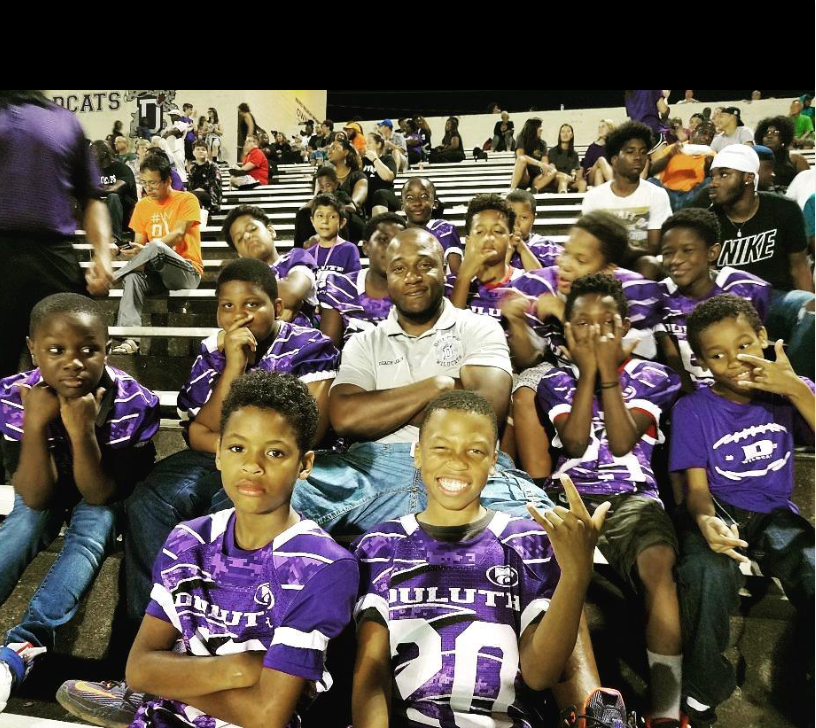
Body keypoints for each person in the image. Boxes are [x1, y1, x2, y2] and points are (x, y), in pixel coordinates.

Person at [352, 390, 608, 728]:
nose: (457, 462)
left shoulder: (526, 542)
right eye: (441, 448)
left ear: (494, 460)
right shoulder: (382, 545)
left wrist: (576, 576)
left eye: (474, 450)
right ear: (417, 454)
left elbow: (540, 674)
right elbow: (371, 671)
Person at [121, 371, 358, 728]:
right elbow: (139, 669)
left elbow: (266, 716)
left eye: (275, 452)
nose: (252, 465)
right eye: (237, 448)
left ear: (304, 464)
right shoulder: (188, 540)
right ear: (218, 454)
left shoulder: (322, 565)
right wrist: (243, 667)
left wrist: (169, 680)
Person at [537, 273, 685, 727]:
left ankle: (666, 709)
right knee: (552, 575)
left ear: (624, 326)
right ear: (567, 330)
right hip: (569, 495)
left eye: (606, 322)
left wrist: (606, 375)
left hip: (632, 495)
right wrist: (589, 374)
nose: (595, 332)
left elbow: (621, 442)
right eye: (582, 323)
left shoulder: (654, 376)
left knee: (658, 564)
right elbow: (575, 441)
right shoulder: (555, 381)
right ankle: (589, 708)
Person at [0, 294, 158, 713]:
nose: (73, 362)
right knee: (24, 525)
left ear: (108, 348)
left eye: (88, 350)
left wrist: (82, 431)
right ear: (33, 349)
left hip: (104, 487)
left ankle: (23, 647)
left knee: (93, 530)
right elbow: (35, 496)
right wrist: (36, 423)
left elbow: (99, 493)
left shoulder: (132, 402)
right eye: (55, 350)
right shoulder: (15, 395)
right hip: (47, 482)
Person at [670, 295, 814, 728]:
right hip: (720, 509)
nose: (734, 360)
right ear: (700, 362)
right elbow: (696, 489)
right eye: (717, 355)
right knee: (704, 573)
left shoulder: (792, 393)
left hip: (774, 513)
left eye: (745, 344)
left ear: (764, 337)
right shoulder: (693, 409)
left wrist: (794, 388)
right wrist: (704, 520)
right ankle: (702, 689)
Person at [500, 212, 663, 479]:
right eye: (565, 252)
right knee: (526, 387)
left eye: (581, 260)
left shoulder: (629, 295)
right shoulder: (545, 286)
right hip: (565, 376)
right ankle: (537, 486)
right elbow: (530, 359)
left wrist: (563, 312)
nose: (565, 264)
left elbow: (623, 359)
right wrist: (517, 323)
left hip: (617, 379)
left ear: (608, 269)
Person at [0, 89, 113, 378]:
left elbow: (91, 197)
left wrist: (102, 254)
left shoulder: (65, 121)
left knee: (72, 372)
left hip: (53, 258)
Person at [700, 144, 814, 378]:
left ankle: (794, 384)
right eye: (712, 176)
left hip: (775, 298)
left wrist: (808, 310)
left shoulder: (783, 209)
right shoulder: (705, 216)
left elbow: (799, 267)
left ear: (748, 178)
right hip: (726, 301)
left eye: (724, 175)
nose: (714, 182)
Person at [656, 209, 771, 392]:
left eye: (687, 250)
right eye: (668, 253)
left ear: (712, 252)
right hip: (689, 396)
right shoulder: (657, 297)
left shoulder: (746, 288)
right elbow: (671, 361)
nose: (676, 260)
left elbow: (759, 343)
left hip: (748, 387)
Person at [110, 154, 203, 356]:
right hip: (156, 275)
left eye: (153, 183)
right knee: (133, 277)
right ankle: (130, 339)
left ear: (167, 180)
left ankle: (114, 277)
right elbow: (141, 247)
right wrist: (133, 251)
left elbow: (178, 234)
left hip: (187, 271)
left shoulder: (187, 199)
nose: (147, 188)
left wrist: (148, 249)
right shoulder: (142, 206)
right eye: (144, 183)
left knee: (157, 246)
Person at [447, 194, 555, 325]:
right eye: (480, 232)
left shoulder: (528, 284)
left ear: (510, 240)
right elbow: (448, 331)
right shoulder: (449, 285)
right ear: (468, 241)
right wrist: (464, 278)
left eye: (497, 231)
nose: (489, 238)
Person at [581, 121, 672, 258]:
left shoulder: (657, 194)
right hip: (604, 263)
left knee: (648, 264)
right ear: (615, 160)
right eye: (630, 152)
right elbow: (590, 243)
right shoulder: (594, 197)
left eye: (643, 152)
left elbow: (654, 246)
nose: (638, 157)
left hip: (640, 262)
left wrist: (623, 254)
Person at [318, 213, 404, 347]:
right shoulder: (339, 287)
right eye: (383, 240)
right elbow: (329, 350)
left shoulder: (415, 287)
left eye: (399, 242)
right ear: (365, 247)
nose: (392, 248)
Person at [223, 205, 318, 326]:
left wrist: (248, 297)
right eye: (240, 238)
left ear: (271, 231)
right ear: (240, 254)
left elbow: (292, 292)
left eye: (252, 229)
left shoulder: (297, 257)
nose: (247, 236)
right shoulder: (244, 279)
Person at [648, 121, 717, 211]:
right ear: (693, 133)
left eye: (711, 136)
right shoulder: (674, 148)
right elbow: (653, 170)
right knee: (651, 181)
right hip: (667, 193)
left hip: (691, 197)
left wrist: (708, 165)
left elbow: (713, 179)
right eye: (703, 133)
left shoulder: (711, 155)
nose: (707, 138)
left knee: (710, 182)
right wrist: (670, 155)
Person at [401, 176, 463, 274]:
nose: (417, 203)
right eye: (410, 198)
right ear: (402, 205)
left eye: (423, 196)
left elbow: (457, 274)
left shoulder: (444, 230)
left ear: (435, 203)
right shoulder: (397, 233)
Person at [306, 193, 362, 285]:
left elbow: (354, 282)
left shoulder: (349, 249)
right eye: (320, 216)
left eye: (332, 216)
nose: (325, 221)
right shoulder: (308, 254)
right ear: (312, 221)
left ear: (342, 222)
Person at [90, 140, 137, 247]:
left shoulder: (122, 169)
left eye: (93, 153)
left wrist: (93, 189)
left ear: (103, 154)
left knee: (113, 197)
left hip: (123, 213)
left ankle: (113, 237)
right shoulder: (92, 171)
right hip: (100, 212)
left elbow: (114, 189)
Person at [506, 189, 563, 270]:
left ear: (533, 218)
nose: (516, 223)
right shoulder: (495, 246)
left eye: (523, 218)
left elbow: (541, 277)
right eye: (511, 217)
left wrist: (522, 248)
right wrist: (508, 251)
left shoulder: (548, 249)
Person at [755, 115, 811, 190]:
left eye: (775, 133)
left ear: (784, 137)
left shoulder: (796, 159)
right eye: (766, 133)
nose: (769, 136)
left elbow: (808, 185)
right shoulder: (755, 159)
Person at [509, 117, 554, 191]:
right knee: (521, 159)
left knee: (553, 170)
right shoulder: (521, 138)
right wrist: (538, 163)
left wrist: (545, 168)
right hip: (524, 175)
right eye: (539, 127)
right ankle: (512, 190)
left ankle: (533, 190)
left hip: (537, 177)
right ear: (532, 128)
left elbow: (544, 163)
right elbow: (520, 156)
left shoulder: (542, 144)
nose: (541, 129)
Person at [361, 131, 398, 216]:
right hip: (369, 200)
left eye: (369, 143)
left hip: (386, 199)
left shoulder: (387, 159)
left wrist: (375, 159)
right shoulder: (363, 161)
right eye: (365, 143)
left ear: (379, 144)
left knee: (379, 194)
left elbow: (388, 177)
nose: (366, 146)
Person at [546, 123, 587, 193]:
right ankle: (563, 198)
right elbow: (552, 171)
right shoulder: (552, 152)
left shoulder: (574, 154)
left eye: (568, 131)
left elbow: (575, 171)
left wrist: (574, 175)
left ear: (572, 135)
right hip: (556, 179)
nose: (565, 134)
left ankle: (579, 200)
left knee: (583, 183)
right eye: (563, 132)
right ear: (559, 135)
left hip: (570, 180)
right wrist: (566, 177)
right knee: (563, 179)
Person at [187, 139, 222, 216]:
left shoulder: (213, 167)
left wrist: (200, 189)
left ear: (207, 152)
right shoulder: (193, 169)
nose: (201, 151)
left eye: (203, 149)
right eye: (198, 149)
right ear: (193, 152)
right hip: (195, 195)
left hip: (211, 197)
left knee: (190, 196)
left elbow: (213, 184)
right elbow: (191, 185)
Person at [581, 120, 615, 187]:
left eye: (603, 127)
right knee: (601, 160)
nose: (600, 129)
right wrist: (594, 167)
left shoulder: (613, 146)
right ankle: (614, 186)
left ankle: (600, 193)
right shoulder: (592, 147)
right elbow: (586, 169)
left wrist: (602, 168)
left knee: (599, 172)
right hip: (591, 176)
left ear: (610, 129)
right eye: (599, 127)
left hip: (610, 173)